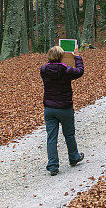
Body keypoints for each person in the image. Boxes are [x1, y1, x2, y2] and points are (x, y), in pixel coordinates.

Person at [40, 45, 85, 176]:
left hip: (49, 108)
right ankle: (74, 157)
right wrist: (77, 57)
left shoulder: (43, 70)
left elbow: (51, 69)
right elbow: (80, 71)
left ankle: (53, 165)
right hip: (65, 107)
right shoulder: (66, 70)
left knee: (51, 137)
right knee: (69, 134)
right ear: (61, 57)